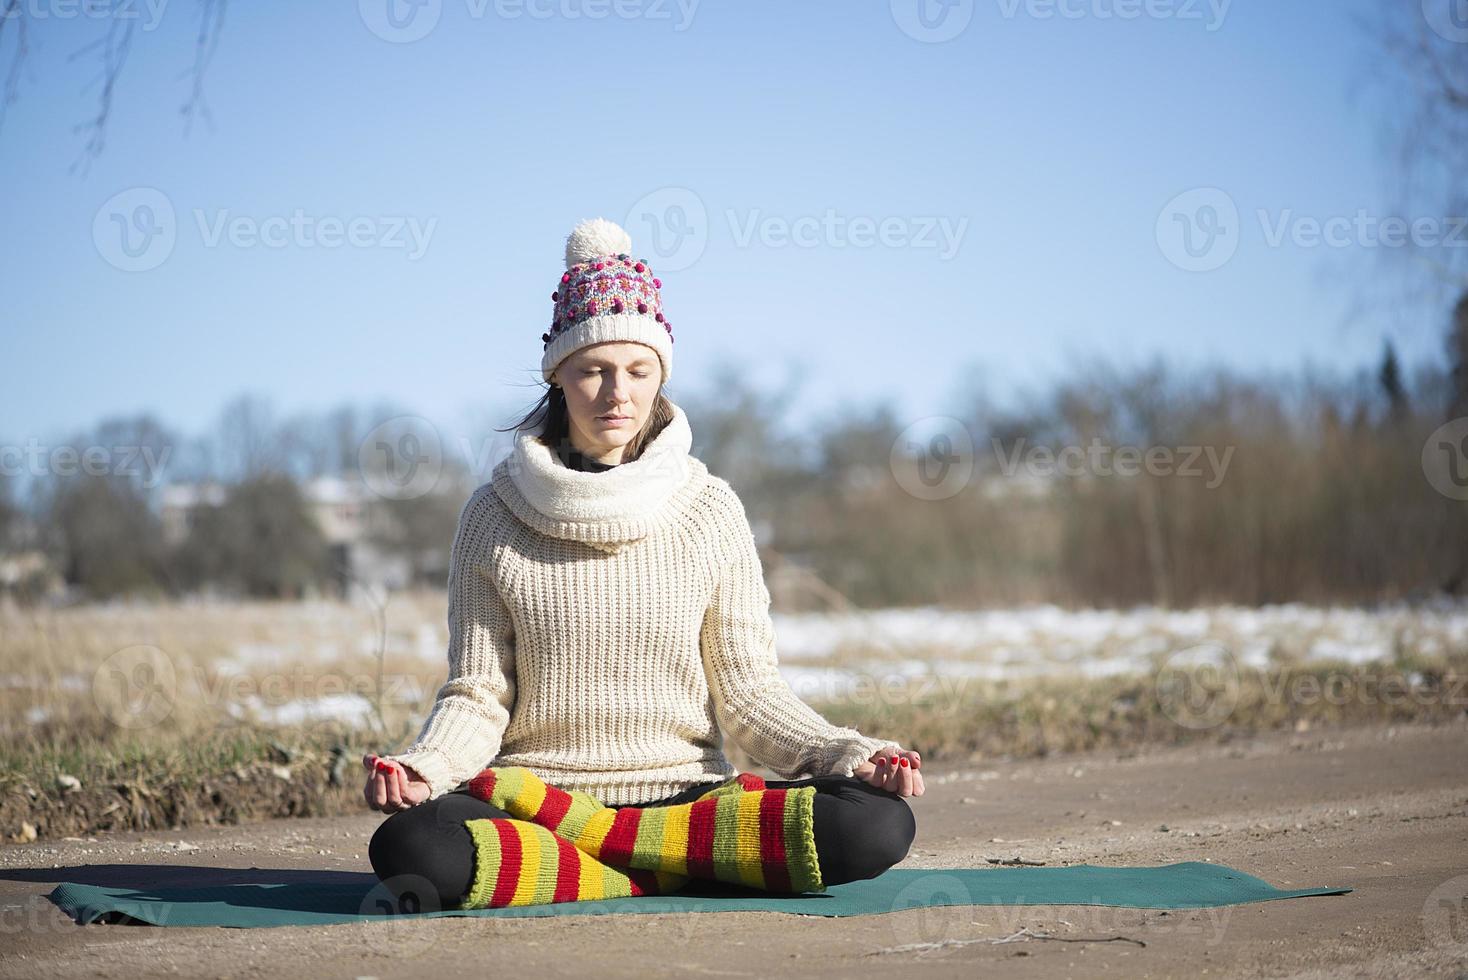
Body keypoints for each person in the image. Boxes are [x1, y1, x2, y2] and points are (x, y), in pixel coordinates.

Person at [365, 217, 922, 910]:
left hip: (688, 803)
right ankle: (668, 866)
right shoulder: (493, 514)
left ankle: (598, 859)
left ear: (660, 377)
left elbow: (750, 695)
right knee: (409, 848)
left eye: (637, 371)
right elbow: (478, 693)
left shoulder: (709, 508)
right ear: (559, 377)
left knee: (876, 822)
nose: (616, 393)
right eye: (593, 370)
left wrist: (848, 753)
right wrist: (427, 767)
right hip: (539, 800)